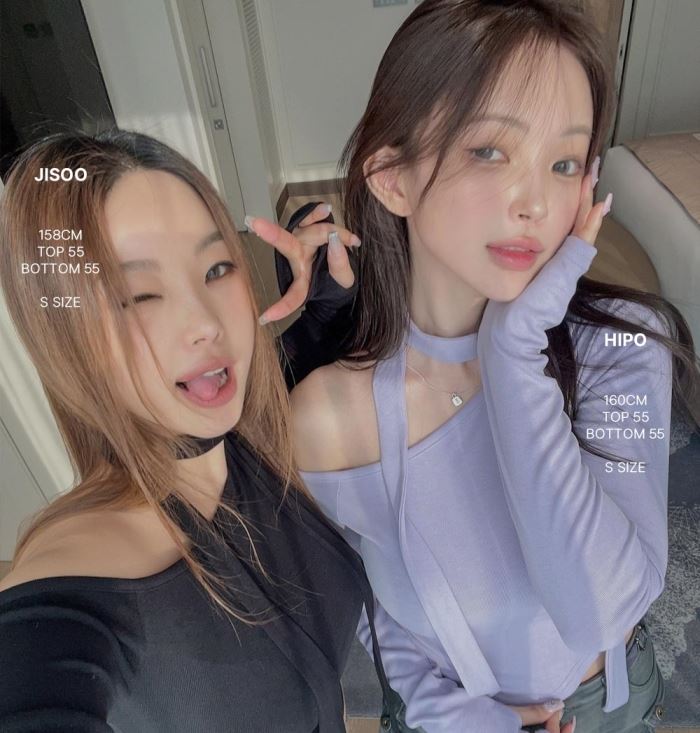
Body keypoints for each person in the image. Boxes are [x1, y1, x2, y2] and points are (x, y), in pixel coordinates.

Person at [284, 1, 700, 732]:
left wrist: (511, 354)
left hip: (608, 706)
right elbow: (371, 603)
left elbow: (600, 611)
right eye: (489, 151)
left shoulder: (626, 345)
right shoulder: (329, 414)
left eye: (564, 163)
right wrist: (449, 713)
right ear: (392, 177)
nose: (535, 202)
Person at [0, 128, 373, 733]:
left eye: (217, 268)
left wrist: (328, 299)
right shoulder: (74, 587)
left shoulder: (242, 430)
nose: (206, 322)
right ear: (69, 338)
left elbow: (299, 355)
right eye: (138, 295)